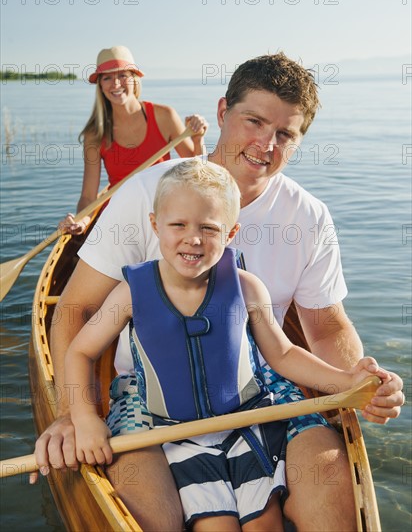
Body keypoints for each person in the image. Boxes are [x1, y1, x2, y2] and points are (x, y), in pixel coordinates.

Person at [34, 53, 404, 531]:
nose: (266, 144)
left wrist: (356, 383)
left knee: (332, 500)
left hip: (264, 387)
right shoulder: (147, 195)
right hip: (147, 397)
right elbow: (74, 310)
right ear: (222, 110)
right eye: (254, 121)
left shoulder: (308, 216)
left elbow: (324, 325)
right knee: (153, 521)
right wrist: (71, 413)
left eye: (286, 134)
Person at [65, 158, 391, 531]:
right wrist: (83, 417)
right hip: (177, 430)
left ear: (231, 232)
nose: (194, 238)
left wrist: (348, 380)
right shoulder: (130, 294)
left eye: (209, 227)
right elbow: (82, 350)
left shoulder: (247, 287)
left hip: (246, 422)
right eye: (178, 225)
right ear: (155, 225)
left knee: (263, 525)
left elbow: (283, 355)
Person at [58, 45, 208, 235]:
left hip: (164, 214)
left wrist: (197, 139)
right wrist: (82, 222)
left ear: (134, 79)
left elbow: (200, 170)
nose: (116, 84)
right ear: (101, 85)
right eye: (107, 78)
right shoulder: (95, 134)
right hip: (119, 218)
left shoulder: (164, 116)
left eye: (123, 75)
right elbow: (88, 197)